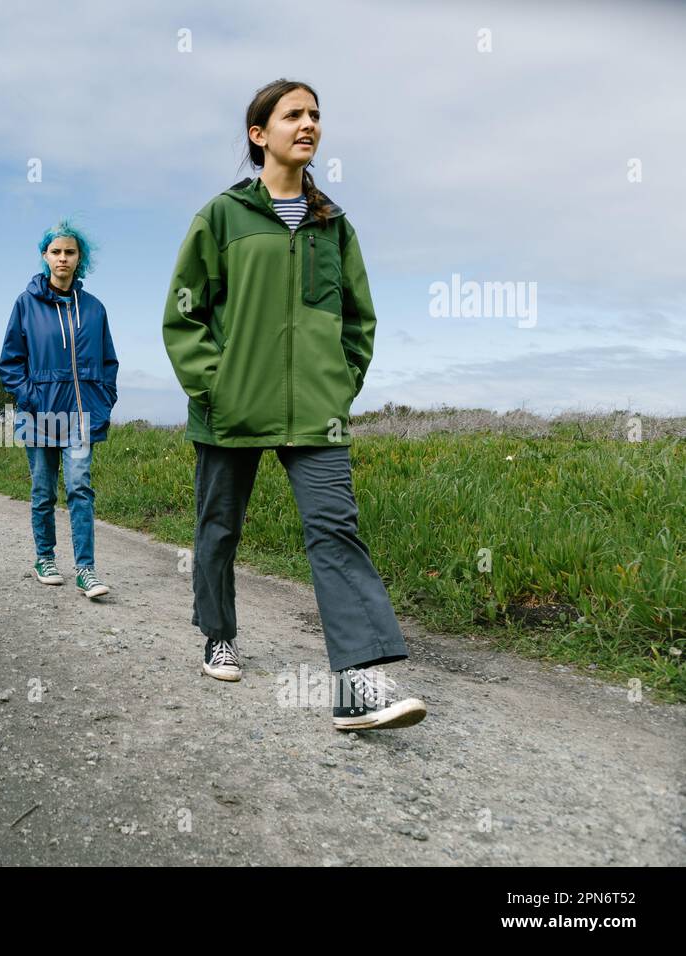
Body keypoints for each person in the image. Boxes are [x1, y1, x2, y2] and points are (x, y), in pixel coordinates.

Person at [161, 79, 426, 730]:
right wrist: (214, 385)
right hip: (231, 408)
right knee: (218, 529)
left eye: (315, 115)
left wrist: (340, 383)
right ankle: (218, 633)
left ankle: (357, 685)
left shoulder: (333, 226)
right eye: (292, 115)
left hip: (316, 412)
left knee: (335, 531)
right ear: (260, 135)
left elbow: (359, 319)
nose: (308, 124)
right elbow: (183, 314)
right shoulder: (221, 217)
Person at [0, 219, 118, 599]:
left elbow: (109, 363)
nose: (62, 258)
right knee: (43, 490)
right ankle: (45, 558)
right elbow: (10, 363)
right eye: (56, 252)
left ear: (79, 258)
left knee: (80, 487)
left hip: (82, 415)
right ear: (44, 257)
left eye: (69, 252)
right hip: (41, 414)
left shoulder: (95, 309)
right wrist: (31, 398)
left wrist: (104, 400)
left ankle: (86, 569)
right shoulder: (25, 304)